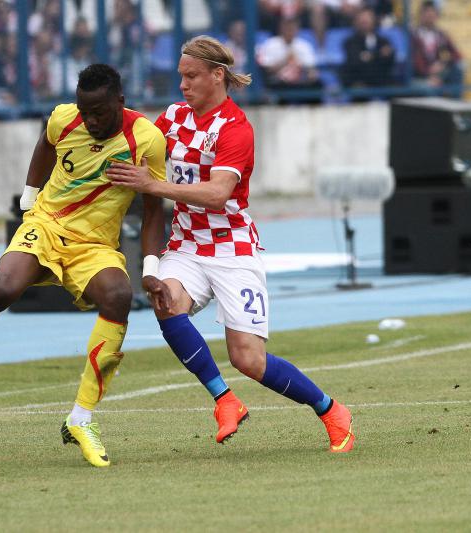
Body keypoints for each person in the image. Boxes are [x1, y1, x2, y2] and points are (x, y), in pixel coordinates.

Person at [0, 64, 168, 468]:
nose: (90, 120)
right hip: (46, 225)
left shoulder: (147, 140)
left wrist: (151, 267)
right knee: (3, 290)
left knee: (117, 297)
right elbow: (46, 142)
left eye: (99, 112)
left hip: (93, 244)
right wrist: (29, 198)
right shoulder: (65, 118)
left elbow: (153, 209)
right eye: (85, 111)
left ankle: (81, 419)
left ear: (120, 103)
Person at [106, 35, 355, 453]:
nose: (182, 85)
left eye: (191, 76)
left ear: (217, 75)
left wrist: (155, 184)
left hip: (233, 248)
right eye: (180, 76)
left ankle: (331, 410)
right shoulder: (173, 117)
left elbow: (219, 192)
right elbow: (135, 131)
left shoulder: (235, 128)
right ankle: (225, 399)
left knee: (249, 359)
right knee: (166, 301)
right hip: (186, 245)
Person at [410, 0, 463, 96]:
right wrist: (428, 73)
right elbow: (413, 61)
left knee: (458, 68)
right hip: (420, 76)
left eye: (433, 13)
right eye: (427, 13)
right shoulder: (413, 36)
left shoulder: (441, 35)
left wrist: (443, 64)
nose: (430, 16)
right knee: (430, 88)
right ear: (421, 15)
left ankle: (456, 106)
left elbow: (457, 55)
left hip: (438, 73)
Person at [341, 7, 395, 89]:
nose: (365, 22)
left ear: (374, 20)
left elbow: (389, 60)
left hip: (382, 81)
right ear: (356, 22)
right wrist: (379, 54)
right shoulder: (350, 42)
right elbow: (355, 62)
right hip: (359, 81)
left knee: (398, 90)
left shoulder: (383, 41)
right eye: (362, 19)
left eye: (368, 18)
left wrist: (369, 56)